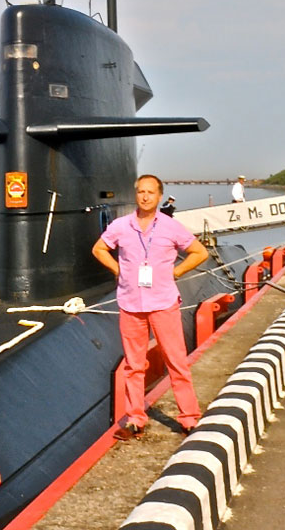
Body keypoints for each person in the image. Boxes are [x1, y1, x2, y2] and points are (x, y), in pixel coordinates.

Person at [92, 174, 209, 440]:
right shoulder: (121, 226)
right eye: (141, 192)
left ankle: (189, 417)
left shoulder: (170, 227)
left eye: (150, 192)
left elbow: (200, 252)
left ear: (159, 196)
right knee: (134, 365)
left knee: (176, 361)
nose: (145, 196)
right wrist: (118, 269)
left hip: (163, 302)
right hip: (131, 304)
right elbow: (99, 249)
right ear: (136, 195)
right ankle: (135, 419)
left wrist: (176, 272)